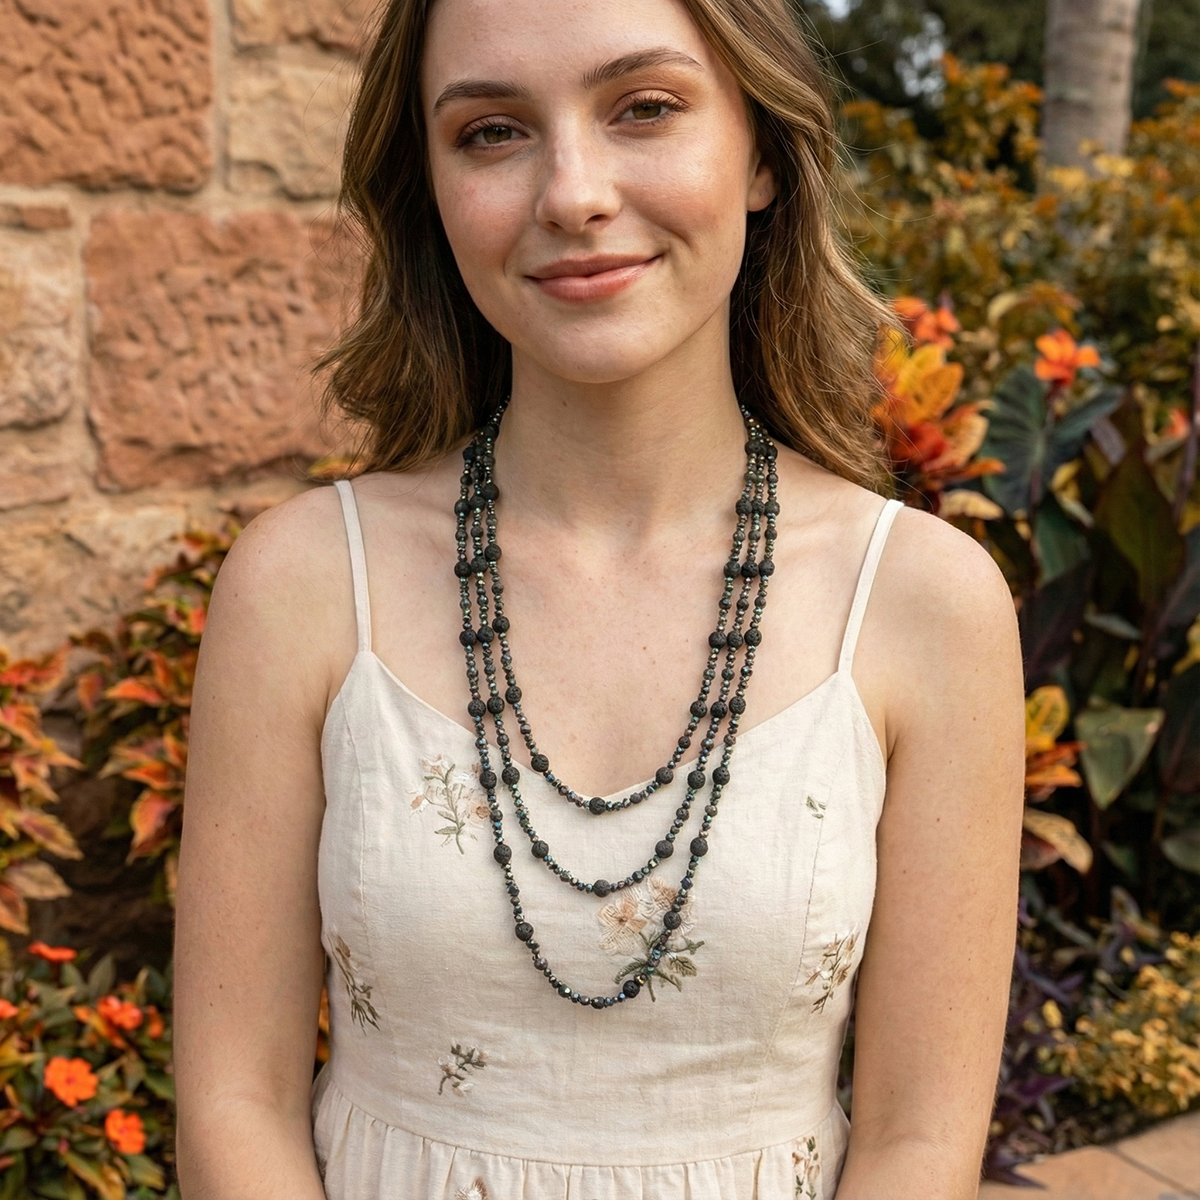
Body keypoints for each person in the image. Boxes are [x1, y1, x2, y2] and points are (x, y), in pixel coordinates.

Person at [172, 0, 1026, 1195]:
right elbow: (232, 1104)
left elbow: (920, 1141)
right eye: (491, 133)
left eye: (645, 109)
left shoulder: (924, 607)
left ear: (767, 153)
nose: (571, 192)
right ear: (429, 185)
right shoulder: (305, 589)